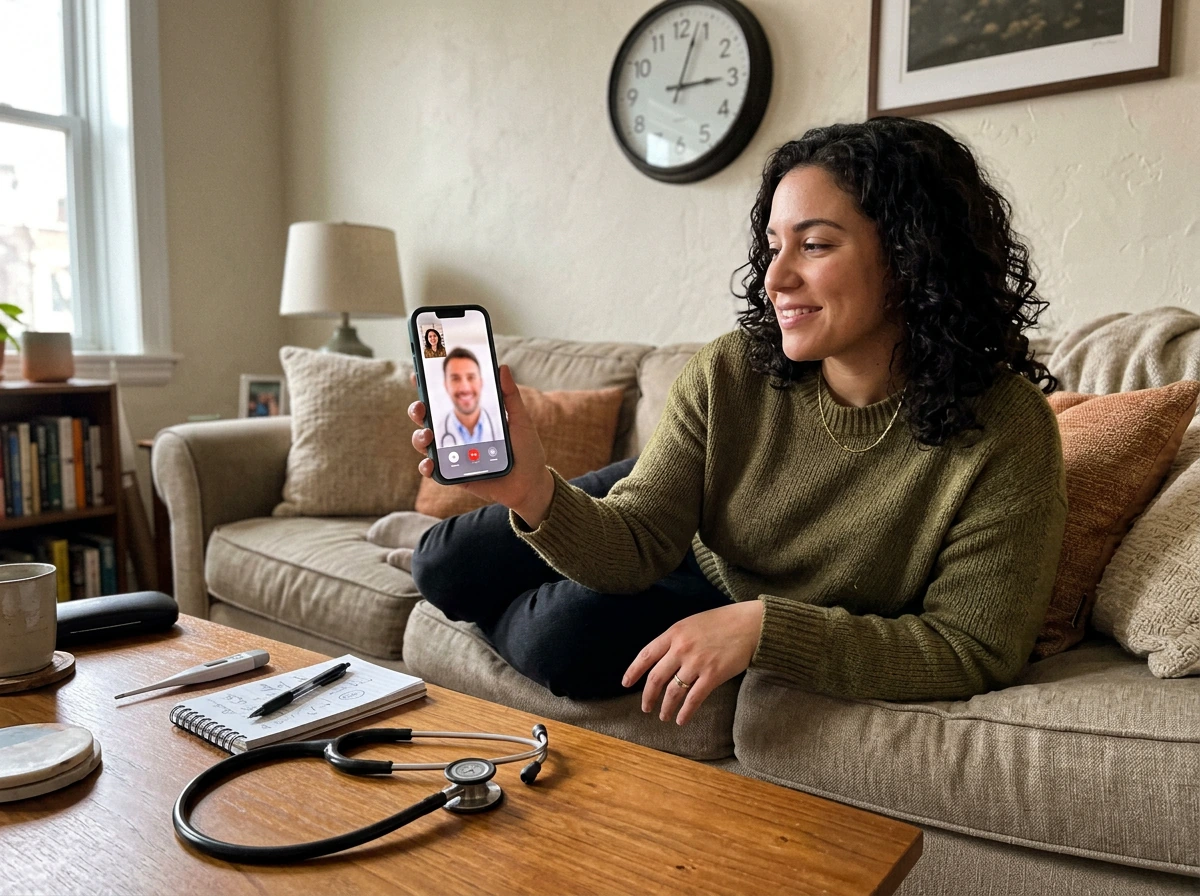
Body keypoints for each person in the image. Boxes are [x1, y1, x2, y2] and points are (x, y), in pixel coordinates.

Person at [407, 117, 1067, 727]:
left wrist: (762, 630)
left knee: (562, 643)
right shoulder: (732, 371)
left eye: (813, 245)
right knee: (442, 562)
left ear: (912, 254)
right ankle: (550, 522)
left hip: (733, 581)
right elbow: (639, 540)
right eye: (774, 245)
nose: (776, 277)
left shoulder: (1007, 431)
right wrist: (531, 492)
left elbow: (971, 649)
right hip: (687, 506)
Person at [435, 347, 500, 447]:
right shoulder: (435, 433)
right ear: (446, 386)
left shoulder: (502, 426)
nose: (465, 388)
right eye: (455, 379)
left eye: (471, 377)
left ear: (481, 383)